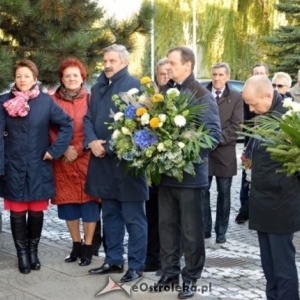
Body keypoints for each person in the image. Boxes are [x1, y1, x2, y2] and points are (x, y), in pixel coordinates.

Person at [153, 46, 221, 299]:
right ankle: (170, 271)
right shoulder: (165, 92)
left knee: (191, 232)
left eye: (172, 62)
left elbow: (214, 136)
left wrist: (185, 154)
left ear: (187, 65)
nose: (167, 66)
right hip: (166, 175)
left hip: (190, 177)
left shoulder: (202, 95)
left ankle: (191, 277)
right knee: (167, 227)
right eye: (167, 62)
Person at [0, 59, 73, 274]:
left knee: (36, 212)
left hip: (39, 165)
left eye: (26, 76)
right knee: (17, 211)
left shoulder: (45, 102)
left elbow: (66, 124)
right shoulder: (4, 102)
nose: (22, 80)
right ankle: (22, 254)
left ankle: (33, 251)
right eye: (19, 76)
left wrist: (55, 150)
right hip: (13, 166)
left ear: (34, 78)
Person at [84, 44, 148, 283]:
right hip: (102, 165)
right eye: (105, 61)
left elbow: (137, 125)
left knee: (133, 218)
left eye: (112, 61)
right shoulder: (99, 87)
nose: (107, 65)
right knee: (110, 216)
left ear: (124, 62)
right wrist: (91, 141)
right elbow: (88, 118)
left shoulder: (136, 86)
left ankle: (136, 265)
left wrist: (107, 146)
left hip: (127, 166)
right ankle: (113, 260)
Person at [242, 75, 300, 300]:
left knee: (282, 267)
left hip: (281, 204)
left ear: (268, 95)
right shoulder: (265, 114)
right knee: (269, 266)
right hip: (262, 201)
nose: (251, 108)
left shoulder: (289, 118)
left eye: (254, 103)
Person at [50, 58, 100, 266]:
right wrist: (62, 148)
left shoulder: (91, 100)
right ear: (61, 78)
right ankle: (76, 244)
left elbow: (95, 127)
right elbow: (48, 128)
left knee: (89, 205)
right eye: (67, 75)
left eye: (75, 75)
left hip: (86, 159)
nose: (71, 78)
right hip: (63, 160)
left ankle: (88, 247)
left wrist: (79, 148)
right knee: (68, 204)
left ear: (82, 78)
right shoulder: (52, 101)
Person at [203, 62, 243, 243]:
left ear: (227, 76)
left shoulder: (236, 97)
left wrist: (215, 139)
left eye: (221, 75)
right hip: (204, 152)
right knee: (203, 190)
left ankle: (221, 231)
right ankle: (205, 229)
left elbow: (237, 126)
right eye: (214, 75)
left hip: (225, 152)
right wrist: (205, 141)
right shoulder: (202, 94)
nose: (217, 78)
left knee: (224, 192)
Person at [235, 62, 269, 224]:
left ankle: (251, 210)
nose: (258, 75)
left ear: (267, 75)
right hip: (250, 145)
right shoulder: (246, 97)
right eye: (256, 73)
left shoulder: (270, 98)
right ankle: (244, 208)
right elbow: (242, 121)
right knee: (246, 175)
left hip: (266, 146)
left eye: (261, 73)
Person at [144, 57, 169, 273]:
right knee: (151, 214)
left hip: (171, 167)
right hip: (151, 168)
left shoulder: (179, 98)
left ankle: (168, 260)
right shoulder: (148, 98)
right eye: (162, 74)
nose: (166, 77)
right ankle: (152, 258)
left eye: (169, 74)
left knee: (169, 218)